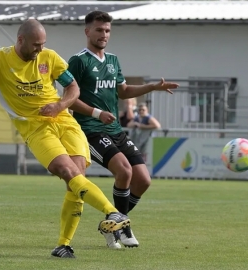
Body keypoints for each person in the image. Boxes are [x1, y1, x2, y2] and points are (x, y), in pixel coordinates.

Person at [0, 19, 131, 259]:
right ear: (20, 40)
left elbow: (73, 88)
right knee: (66, 171)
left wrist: (60, 104)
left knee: (76, 180)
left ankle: (64, 245)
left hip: (65, 122)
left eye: (43, 44)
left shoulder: (49, 57)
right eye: (35, 45)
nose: (40, 49)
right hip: (35, 128)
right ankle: (112, 212)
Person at [68, 11, 179, 249]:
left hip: (115, 130)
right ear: (87, 31)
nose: (104, 34)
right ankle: (121, 228)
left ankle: (113, 224)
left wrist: (152, 87)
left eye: (107, 30)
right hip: (90, 130)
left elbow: (124, 91)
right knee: (125, 172)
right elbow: (69, 98)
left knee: (144, 180)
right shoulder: (78, 61)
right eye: (99, 30)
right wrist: (96, 113)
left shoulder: (113, 60)